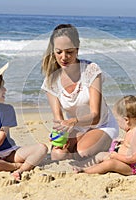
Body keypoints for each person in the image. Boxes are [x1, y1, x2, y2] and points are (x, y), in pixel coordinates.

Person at [41, 24, 119, 160]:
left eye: (69, 52)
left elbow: (95, 116)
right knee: (57, 155)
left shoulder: (91, 70)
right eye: (59, 52)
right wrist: (60, 134)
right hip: (76, 128)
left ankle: (109, 143)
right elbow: (58, 119)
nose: (64, 57)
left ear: (77, 49)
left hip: (101, 125)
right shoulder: (51, 80)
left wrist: (73, 122)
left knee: (81, 153)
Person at [73, 95, 136, 176]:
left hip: (133, 167)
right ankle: (83, 164)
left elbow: (134, 158)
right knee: (101, 155)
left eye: (118, 121)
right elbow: (132, 145)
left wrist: (117, 156)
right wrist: (123, 142)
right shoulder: (133, 128)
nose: (118, 124)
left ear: (126, 120)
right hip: (125, 161)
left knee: (110, 164)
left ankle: (85, 171)